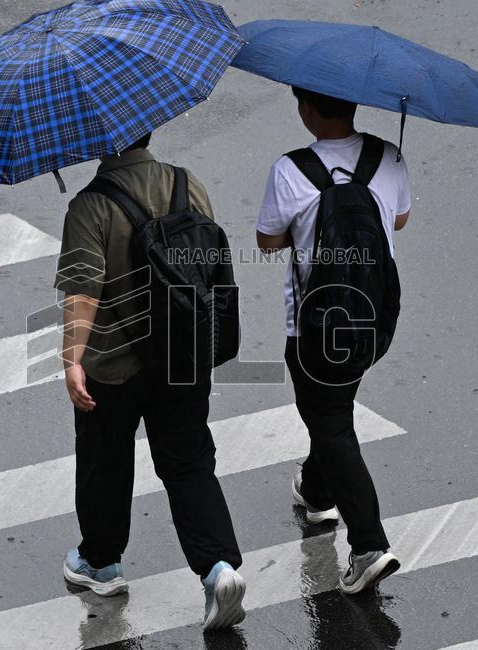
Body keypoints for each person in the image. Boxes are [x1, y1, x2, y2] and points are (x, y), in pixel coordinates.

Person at [54, 133, 246, 631]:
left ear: (98, 138)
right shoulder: (190, 186)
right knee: (189, 464)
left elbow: (83, 292)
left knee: (106, 459)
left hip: (113, 365)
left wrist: (72, 360)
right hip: (184, 354)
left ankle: (101, 562)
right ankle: (218, 569)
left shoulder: (90, 206)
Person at [255, 87, 411, 593]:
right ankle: (316, 491)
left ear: (306, 108)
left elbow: (267, 240)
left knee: (332, 425)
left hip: (314, 327)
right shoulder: (388, 155)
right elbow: (400, 219)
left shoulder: (290, 169)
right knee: (332, 411)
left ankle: (368, 544)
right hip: (372, 319)